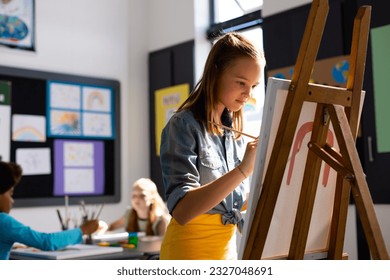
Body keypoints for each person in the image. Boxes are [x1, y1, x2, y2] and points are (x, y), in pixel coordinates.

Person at [159, 32, 265, 260]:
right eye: (241, 83)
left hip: (226, 253)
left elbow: (228, 201)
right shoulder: (183, 126)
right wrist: (243, 171)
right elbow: (183, 210)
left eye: (254, 86)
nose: (248, 94)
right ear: (215, 72)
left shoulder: (234, 133)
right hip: (188, 253)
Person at [0, 161, 99, 260]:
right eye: (10, 193)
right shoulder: (4, 222)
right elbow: (47, 241)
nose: (12, 200)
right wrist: (83, 230)